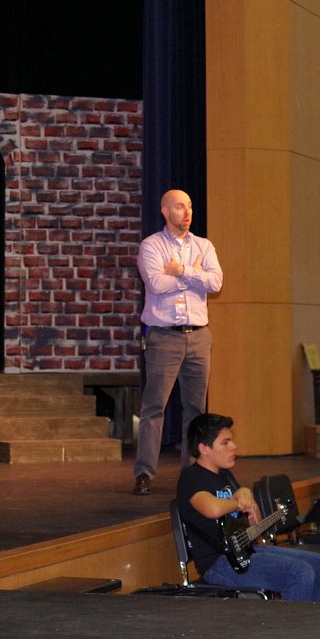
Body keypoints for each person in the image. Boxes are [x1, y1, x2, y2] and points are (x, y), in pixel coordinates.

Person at [176, 414, 320, 601]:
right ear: (204, 448)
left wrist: (249, 500)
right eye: (225, 442)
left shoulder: (226, 476)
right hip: (219, 563)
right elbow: (212, 509)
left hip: (246, 551)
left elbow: (254, 522)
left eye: (232, 441)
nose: (233, 446)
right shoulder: (192, 477)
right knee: (299, 572)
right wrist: (240, 501)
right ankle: (297, 621)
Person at [133, 189, 223, 496]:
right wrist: (196, 276)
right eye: (180, 207)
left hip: (199, 336)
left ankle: (191, 476)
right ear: (165, 211)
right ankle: (144, 473)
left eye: (190, 207)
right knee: (154, 406)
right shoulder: (151, 246)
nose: (187, 213)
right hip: (163, 337)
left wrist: (182, 270)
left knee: (195, 409)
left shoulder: (204, 246)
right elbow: (157, 283)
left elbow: (216, 282)